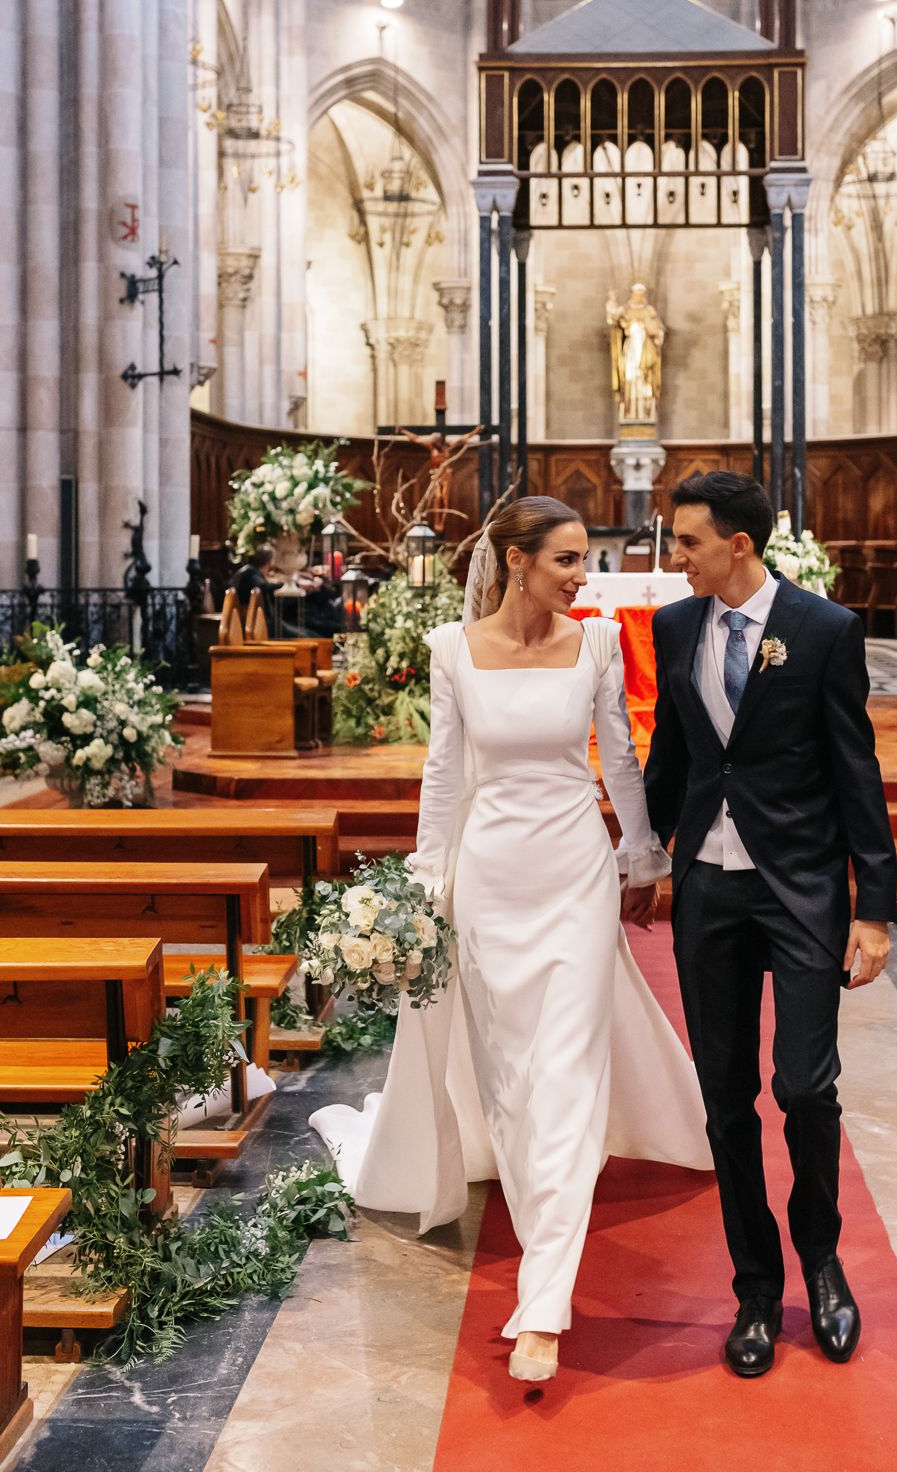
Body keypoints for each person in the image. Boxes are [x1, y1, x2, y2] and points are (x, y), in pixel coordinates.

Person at [311, 496, 709, 1384]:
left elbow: (618, 758)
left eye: (582, 560)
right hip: (488, 880)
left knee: (565, 1076)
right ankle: (540, 1249)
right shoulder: (453, 651)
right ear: (517, 561)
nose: (581, 575)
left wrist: (641, 858)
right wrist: (421, 885)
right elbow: (445, 775)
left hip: (572, 872)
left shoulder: (598, 644)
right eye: (566, 560)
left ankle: (543, 1304)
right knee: (509, 1077)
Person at [644, 471, 897, 1378]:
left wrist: (874, 909)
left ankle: (821, 1262)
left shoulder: (823, 631)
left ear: (737, 546)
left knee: (801, 1087)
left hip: (798, 891)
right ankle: (755, 1286)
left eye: (687, 543)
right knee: (723, 1101)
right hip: (707, 891)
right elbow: (670, 759)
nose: (673, 559)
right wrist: (643, 857)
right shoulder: (675, 627)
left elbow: (855, 772)